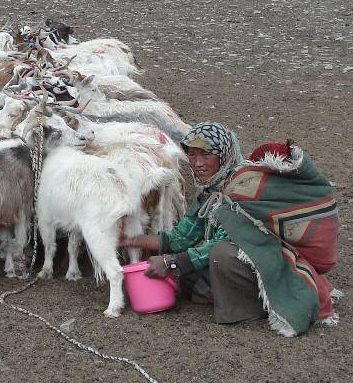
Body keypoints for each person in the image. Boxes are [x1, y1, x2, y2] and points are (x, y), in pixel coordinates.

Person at [120, 121, 340, 337]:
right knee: (185, 275)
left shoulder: (243, 189)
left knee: (220, 254)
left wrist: (171, 262)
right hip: (239, 263)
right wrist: (127, 239)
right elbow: (180, 238)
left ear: (223, 154)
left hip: (268, 262)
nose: (197, 163)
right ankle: (231, 294)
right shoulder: (210, 191)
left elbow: (223, 243)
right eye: (192, 155)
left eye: (206, 154)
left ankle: (255, 307)